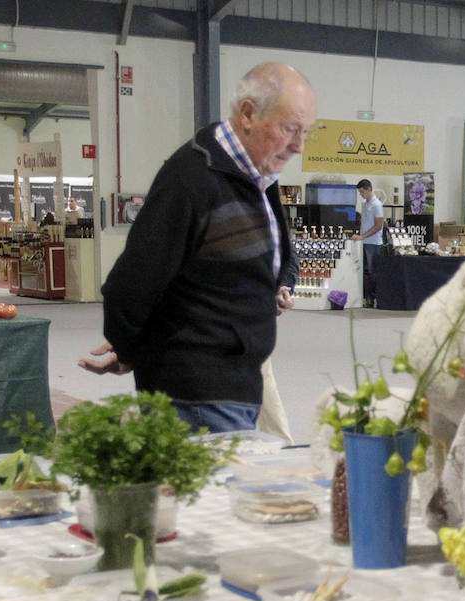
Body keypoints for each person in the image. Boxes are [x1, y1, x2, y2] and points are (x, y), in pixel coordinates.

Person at [80, 62, 316, 433]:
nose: (299, 145)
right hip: (196, 396)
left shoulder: (259, 180)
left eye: (305, 132)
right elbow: (130, 285)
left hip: (237, 384)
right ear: (248, 114)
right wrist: (129, 350)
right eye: (290, 129)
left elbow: (271, 254)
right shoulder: (191, 180)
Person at [354, 179, 385, 306]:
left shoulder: (377, 205)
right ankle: (366, 297)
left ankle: (373, 298)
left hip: (373, 243)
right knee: (364, 271)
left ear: (368, 189)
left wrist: (363, 236)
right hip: (363, 242)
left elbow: (378, 226)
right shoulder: (364, 203)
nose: (361, 194)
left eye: (362, 192)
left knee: (372, 272)